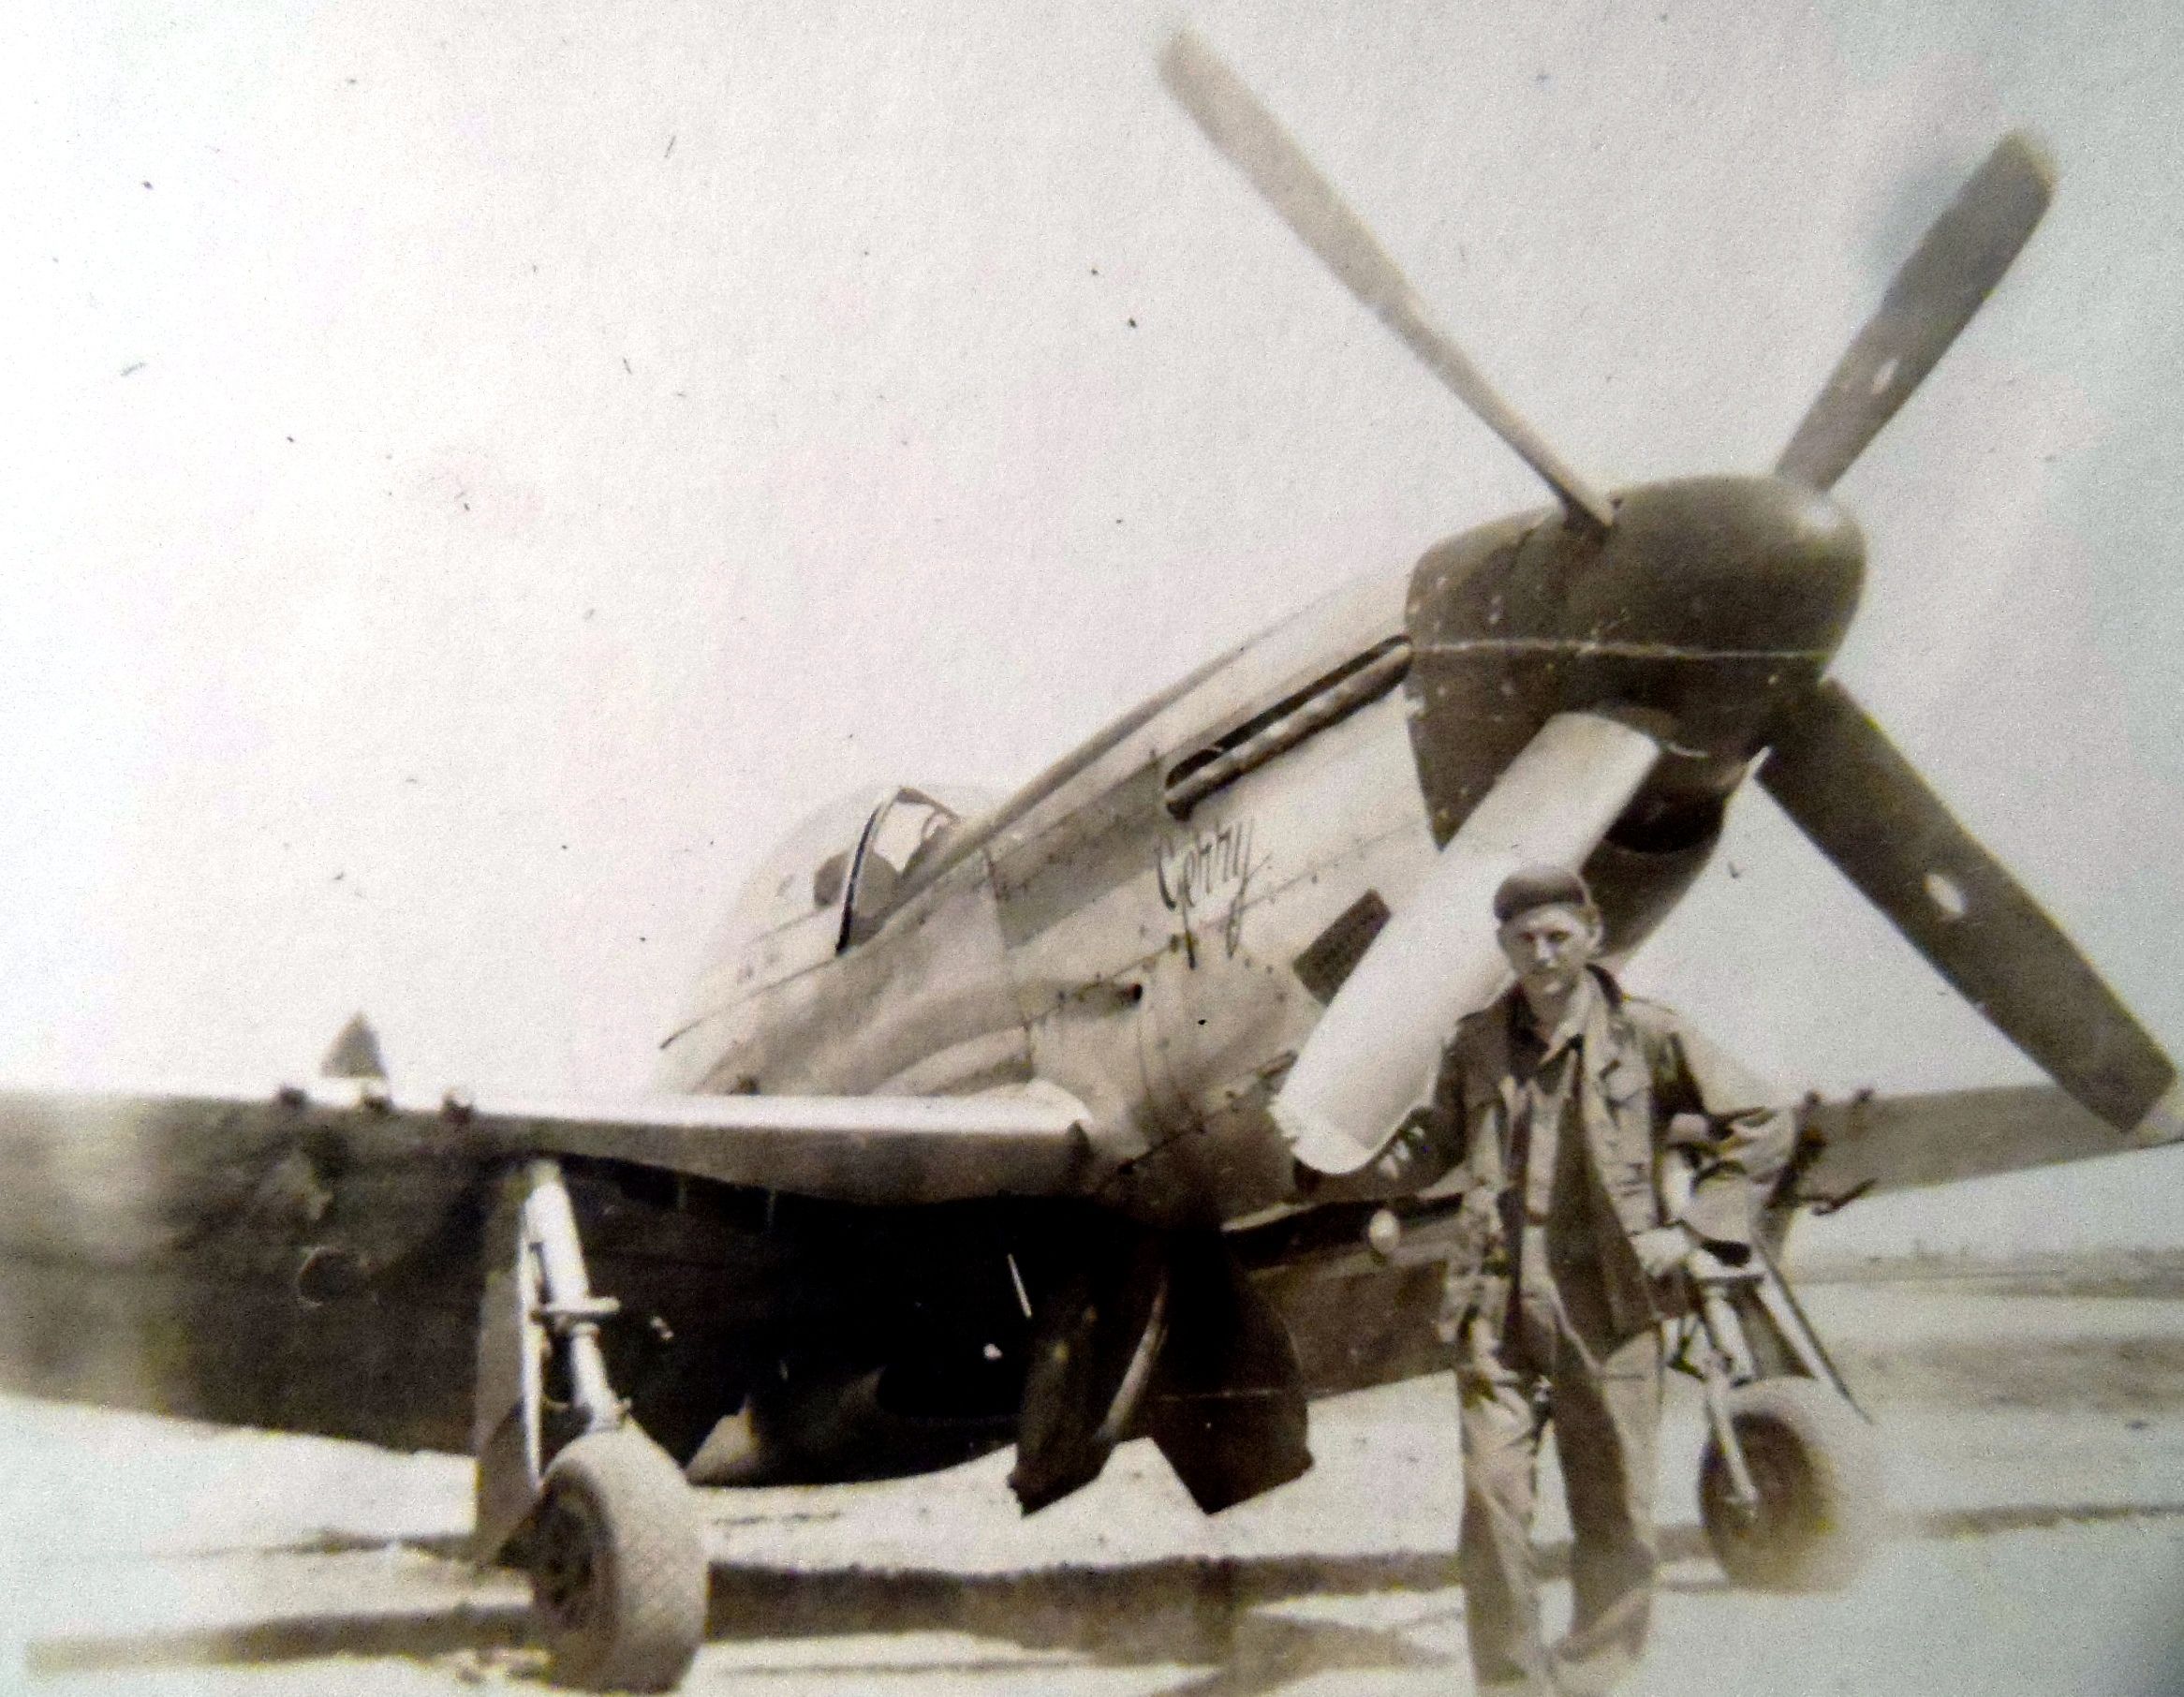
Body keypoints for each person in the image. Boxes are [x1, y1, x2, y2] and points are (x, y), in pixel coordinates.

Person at [1365, 863, 1793, 1696]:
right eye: (1525, 938)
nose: (1544, 953)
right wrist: (1318, 1161)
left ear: (1592, 934)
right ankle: (1513, 1687)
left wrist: (1692, 1229)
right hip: (1496, 1307)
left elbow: (1762, 1122)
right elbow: (1427, 1149)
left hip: (1610, 1308)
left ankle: (1594, 1678)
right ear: (1502, 946)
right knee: (1492, 1507)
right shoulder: (1475, 1044)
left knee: (1617, 1515)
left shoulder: (1648, 1034)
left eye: (1559, 935)